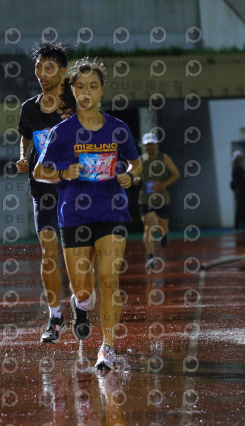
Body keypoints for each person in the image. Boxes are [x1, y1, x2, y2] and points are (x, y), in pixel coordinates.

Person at [34, 57, 142, 370]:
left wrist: (130, 176)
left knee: (109, 279)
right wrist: (63, 173)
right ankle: (82, 304)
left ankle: (107, 347)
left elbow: (137, 163)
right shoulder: (62, 132)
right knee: (83, 287)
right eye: (80, 86)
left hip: (112, 211)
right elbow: (40, 171)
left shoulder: (118, 129)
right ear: (72, 90)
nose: (86, 92)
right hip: (75, 217)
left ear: (101, 90)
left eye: (92, 86)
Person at [16, 42, 76, 343]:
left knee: (78, 254)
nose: (41, 73)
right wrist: (23, 157)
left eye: (48, 67)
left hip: (75, 190)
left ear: (62, 71)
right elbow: (26, 138)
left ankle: (82, 305)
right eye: (38, 67)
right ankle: (55, 316)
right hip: (43, 190)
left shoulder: (75, 103)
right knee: (49, 252)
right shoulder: (29, 108)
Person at [133, 132, 180, 269]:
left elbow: (176, 174)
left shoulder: (164, 158)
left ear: (157, 144)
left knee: (162, 224)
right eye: (147, 145)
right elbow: (135, 176)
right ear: (144, 146)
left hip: (161, 198)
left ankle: (164, 234)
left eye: (152, 144)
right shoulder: (140, 160)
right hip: (145, 198)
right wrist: (136, 179)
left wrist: (163, 185)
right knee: (148, 226)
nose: (150, 147)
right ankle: (150, 257)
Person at [230, 151, 245, 234]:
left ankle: (239, 227)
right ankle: (240, 227)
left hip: (239, 191)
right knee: (242, 209)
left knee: (240, 209)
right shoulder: (238, 168)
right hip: (241, 192)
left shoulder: (235, 168)